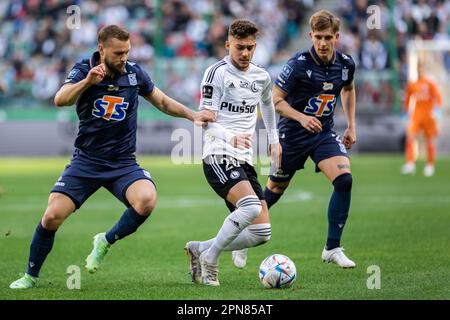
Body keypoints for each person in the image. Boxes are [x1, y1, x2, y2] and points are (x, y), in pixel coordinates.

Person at [9, 25, 214, 289]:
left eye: (127, 52)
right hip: (86, 161)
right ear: (101, 49)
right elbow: (61, 100)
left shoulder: (134, 73)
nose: (124, 58)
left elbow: (162, 101)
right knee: (51, 217)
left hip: (122, 163)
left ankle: (105, 241)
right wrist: (87, 83)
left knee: (146, 200)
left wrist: (192, 115)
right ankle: (30, 276)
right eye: (118, 53)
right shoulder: (84, 69)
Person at [235, 10, 357, 268]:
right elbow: (274, 100)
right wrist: (301, 118)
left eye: (328, 38)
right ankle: (243, 236)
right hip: (291, 135)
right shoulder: (297, 65)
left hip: (323, 133)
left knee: (344, 179)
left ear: (337, 36)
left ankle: (332, 248)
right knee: (274, 191)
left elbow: (348, 88)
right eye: (318, 38)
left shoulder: (345, 64)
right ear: (310, 35)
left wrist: (351, 125)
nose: (323, 43)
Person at [184, 19, 281, 286]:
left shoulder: (261, 76)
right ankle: (211, 259)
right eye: (239, 47)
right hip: (218, 153)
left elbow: (268, 105)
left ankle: (200, 248)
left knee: (262, 232)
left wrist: (274, 140)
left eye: (250, 48)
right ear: (228, 45)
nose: (245, 53)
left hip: (244, 159)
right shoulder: (216, 73)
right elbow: (205, 120)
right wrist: (230, 137)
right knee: (249, 207)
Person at [401, 62, 442, 177]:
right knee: (410, 137)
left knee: (429, 140)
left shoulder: (430, 83)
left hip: (429, 116)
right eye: (418, 69)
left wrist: (437, 110)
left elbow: (437, 97)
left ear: (424, 70)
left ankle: (430, 165)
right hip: (416, 116)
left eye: (421, 69)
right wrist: (405, 113)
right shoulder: (413, 84)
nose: (420, 71)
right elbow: (408, 99)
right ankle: (410, 164)